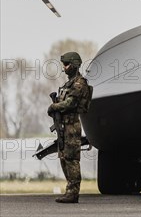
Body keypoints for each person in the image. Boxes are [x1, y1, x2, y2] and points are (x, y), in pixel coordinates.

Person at [46, 51, 93, 203]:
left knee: (72, 159)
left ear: (74, 65)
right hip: (63, 126)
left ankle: (73, 193)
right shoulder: (69, 83)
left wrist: (54, 106)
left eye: (66, 65)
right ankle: (69, 190)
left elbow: (71, 103)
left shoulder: (79, 83)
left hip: (72, 127)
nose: (64, 68)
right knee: (64, 158)